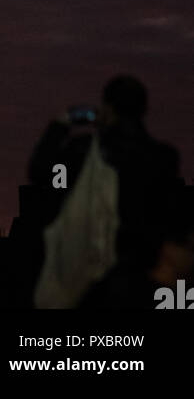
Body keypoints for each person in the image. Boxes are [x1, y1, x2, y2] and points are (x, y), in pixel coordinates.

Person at [29, 75, 182, 307]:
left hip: (95, 275)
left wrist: (62, 123)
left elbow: (39, 170)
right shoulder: (165, 158)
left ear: (107, 109)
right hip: (144, 277)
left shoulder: (83, 151)